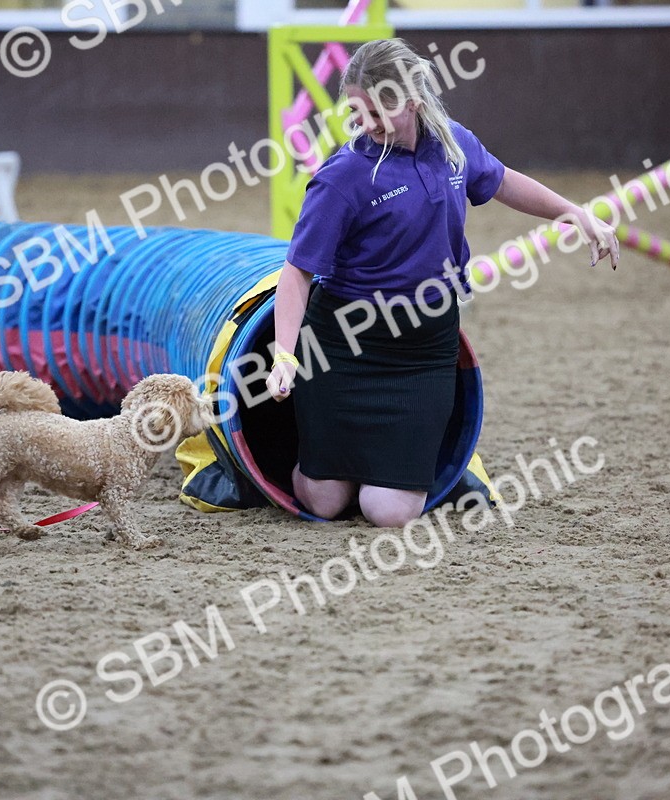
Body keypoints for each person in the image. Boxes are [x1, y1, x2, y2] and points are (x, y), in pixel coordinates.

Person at [265, 38, 619, 528]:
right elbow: (298, 270)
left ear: (410, 100)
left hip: (423, 350)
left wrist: (574, 213)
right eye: (354, 110)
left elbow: (503, 181)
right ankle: (291, 454)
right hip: (344, 344)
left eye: (374, 111)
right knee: (324, 502)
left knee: (387, 512)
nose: (362, 124)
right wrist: (285, 354)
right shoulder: (343, 176)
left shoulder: (453, 144)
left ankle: (391, 469)